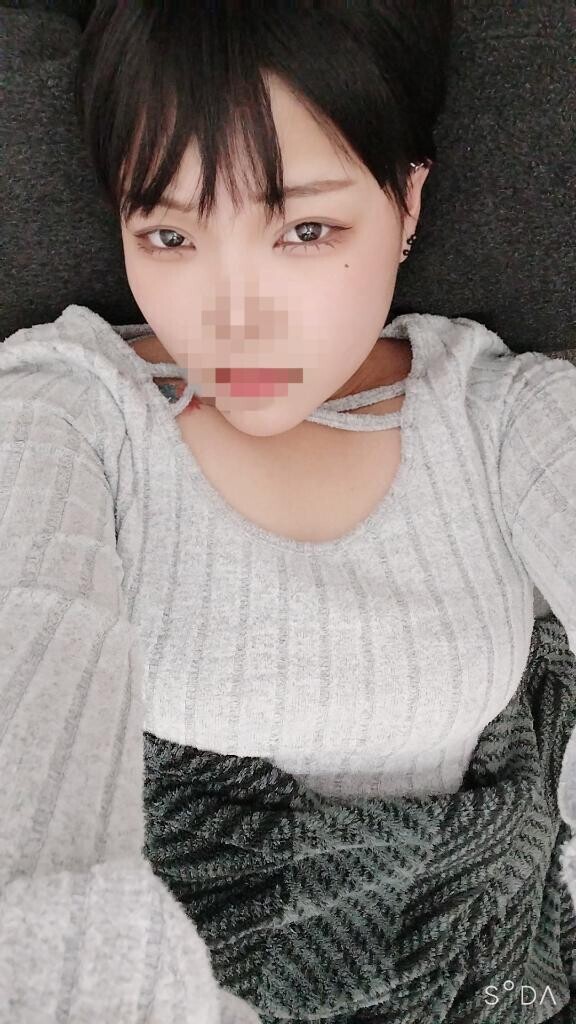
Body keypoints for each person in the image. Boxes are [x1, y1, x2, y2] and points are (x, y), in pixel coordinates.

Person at [1, 2, 575, 1022]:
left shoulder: (503, 412)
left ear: (407, 200)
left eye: (305, 229)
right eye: (170, 234)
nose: (232, 315)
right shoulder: (67, 406)